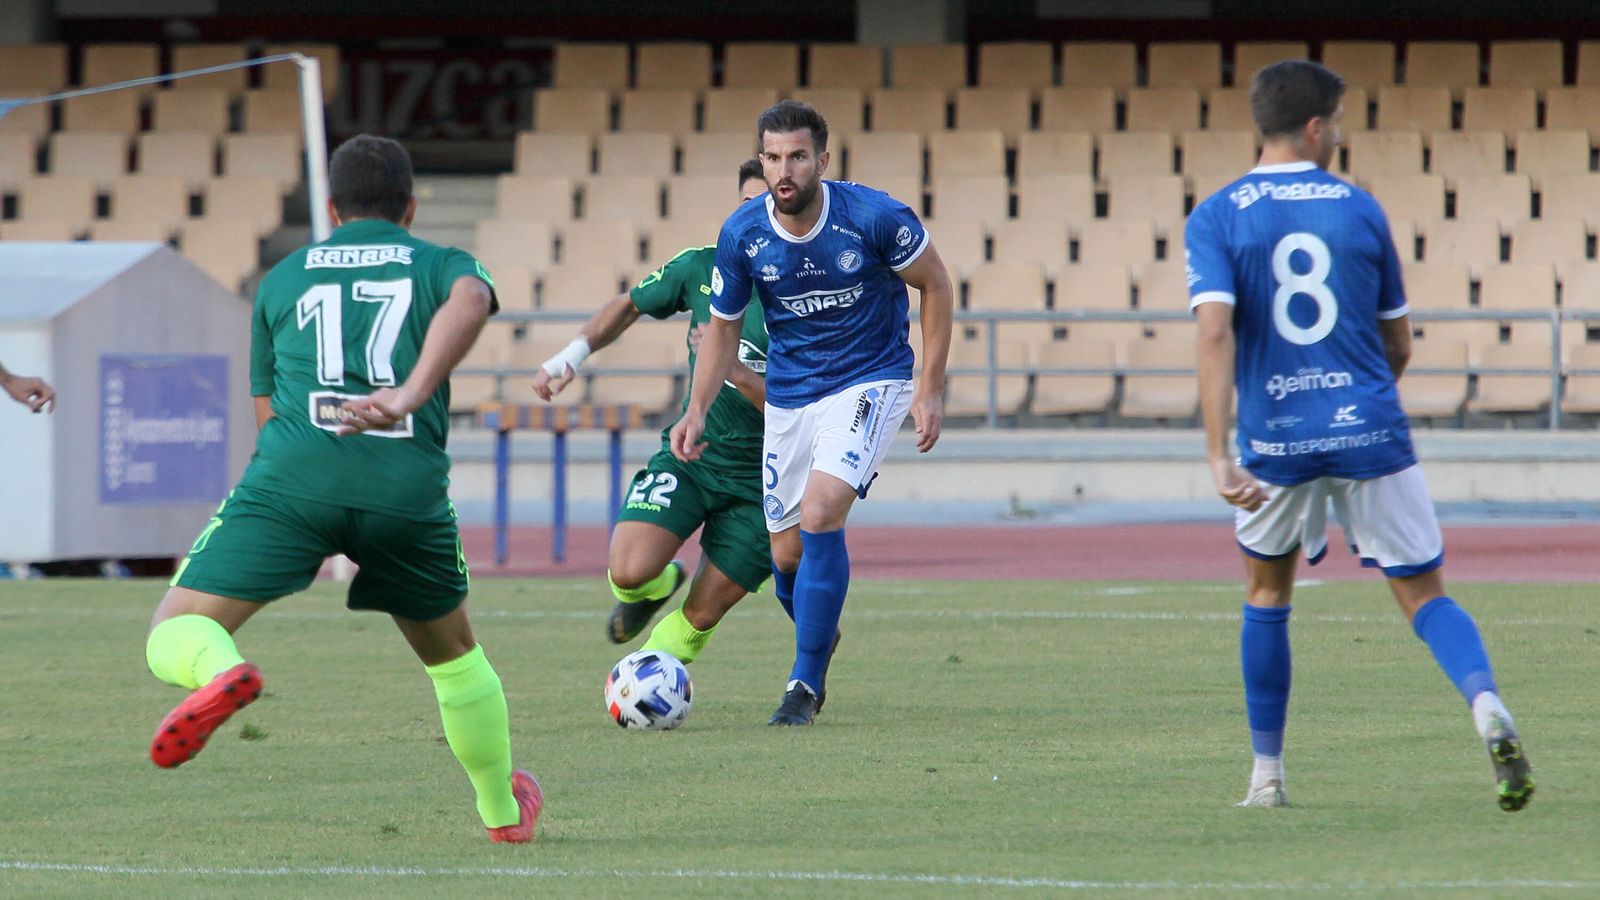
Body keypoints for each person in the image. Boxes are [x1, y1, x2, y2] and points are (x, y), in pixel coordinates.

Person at [143, 135, 541, 842]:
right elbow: (475, 297)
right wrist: (411, 392)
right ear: (410, 207)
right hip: (404, 490)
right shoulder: (441, 262)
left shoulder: (284, 277)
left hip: (293, 480)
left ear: (330, 208)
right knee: (455, 661)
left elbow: (267, 416)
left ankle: (220, 676)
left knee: (174, 627)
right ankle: (503, 815)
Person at [1186, 60, 1533, 812]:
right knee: (1424, 595)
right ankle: (1485, 705)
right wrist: (1361, 399)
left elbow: (1214, 331)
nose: (1340, 136)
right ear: (1316, 128)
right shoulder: (1360, 209)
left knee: (1267, 590)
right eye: (1338, 123)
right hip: (1370, 426)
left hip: (1274, 441)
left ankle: (1266, 777)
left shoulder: (1216, 214)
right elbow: (1399, 343)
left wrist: (1218, 450)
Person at [670, 100, 954, 726]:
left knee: (823, 512)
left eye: (797, 156)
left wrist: (929, 388)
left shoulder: (873, 217)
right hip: (791, 395)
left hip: (870, 379)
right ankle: (819, 637)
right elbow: (719, 329)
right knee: (788, 558)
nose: (784, 170)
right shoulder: (743, 233)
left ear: (823, 160)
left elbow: (936, 284)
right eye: (772, 158)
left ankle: (803, 683)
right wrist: (695, 409)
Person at [530, 159, 772, 666]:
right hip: (694, 455)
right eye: (747, 205)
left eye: (767, 205)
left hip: (767, 479)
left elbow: (807, 411)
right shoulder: (701, 267)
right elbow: (631, 303)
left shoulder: (809, 295)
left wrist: (735, 371)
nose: (756, 217)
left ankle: (640, 679)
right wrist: (570, 355)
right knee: (627, 571)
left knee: (702, 615)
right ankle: (661, 582)